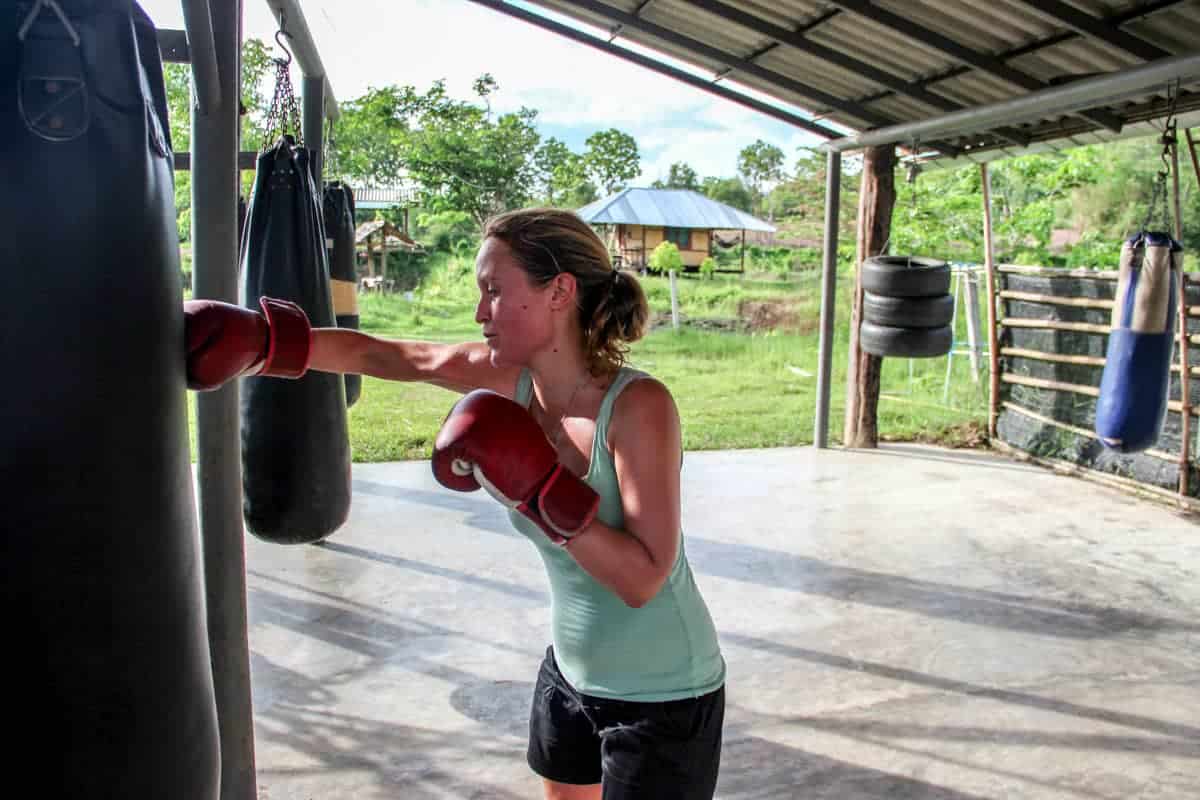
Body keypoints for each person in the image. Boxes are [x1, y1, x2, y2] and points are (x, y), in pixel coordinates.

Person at [184, 208, 726, 800]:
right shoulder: (507, 379)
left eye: (495, 291)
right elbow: (387, 356)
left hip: (666, 696)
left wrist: (539, 492)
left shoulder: (638, 408)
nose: (480, 312)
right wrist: (266, 343)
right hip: (570, 673)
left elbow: (643, 578)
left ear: (559, 292)